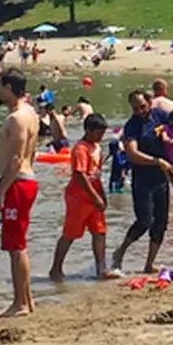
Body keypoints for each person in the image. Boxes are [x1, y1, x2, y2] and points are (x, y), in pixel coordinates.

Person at [0, 71, 41, 318]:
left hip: (17, 183)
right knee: (16, 243)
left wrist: (1, 191)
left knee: (16, 245)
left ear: (9, 87)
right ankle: (27, 301)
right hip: (23, 181)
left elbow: (17, 158)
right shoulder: (30, 112)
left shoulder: (19, 118)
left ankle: (19, 303)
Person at [115, 90, 173, 274]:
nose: (139, 111)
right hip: (142, 178)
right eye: (135, 108)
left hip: (162, 177)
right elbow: (132, 153)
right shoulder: (132, 125)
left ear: (150, 103)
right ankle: (120, 251)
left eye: (143, 107)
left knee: (161, 222)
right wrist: (156, 161)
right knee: (145, 220)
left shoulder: (160, 116)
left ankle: (149, 263)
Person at [50, 113, 117, 280]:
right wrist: (95, 197)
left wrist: (102, 195)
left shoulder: (97, 148)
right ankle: (56, 268)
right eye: (97, 133)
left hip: (94, 196)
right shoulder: (80, 149)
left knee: (100, 232)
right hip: (78, 197)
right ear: (88, 130)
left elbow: (97, 175)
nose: (100, 137)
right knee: (70, 234)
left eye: (102, 133)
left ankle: (101, 269)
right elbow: (80, 176)